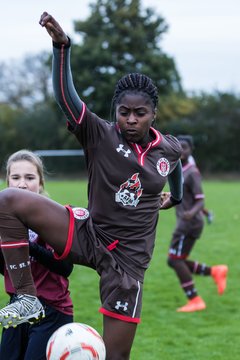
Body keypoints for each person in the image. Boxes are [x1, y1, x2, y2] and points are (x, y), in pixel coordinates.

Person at [0, 13, 183, 360]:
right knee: (9, 200)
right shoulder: (100, 134)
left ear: (153, 114)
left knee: (116, 357)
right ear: (116, 110)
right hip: (89, 232)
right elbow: (67, 99)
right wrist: (61, 48)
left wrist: (176, 197)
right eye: (124, 111)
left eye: (139, 113)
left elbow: (176, 168)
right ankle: (26, 297)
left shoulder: (168, 149)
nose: (130, 119)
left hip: (127, 264)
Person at [0, 150, 74, 360]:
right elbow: (6, 268)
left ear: (40, 183)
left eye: (29, 178)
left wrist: (25, 244)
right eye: (15, 178)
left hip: (51, 310)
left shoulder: (54, 217)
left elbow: (65, 268)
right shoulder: (4, 220)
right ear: (8, 182)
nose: (22, 184)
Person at [165, 135, 228, 312]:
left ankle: (195, 300)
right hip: (187, 222)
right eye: (179, 147)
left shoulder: (192, 172)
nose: (182, 150)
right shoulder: (179, 169)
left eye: (185, 147)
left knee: (175, 260)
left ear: (191, 149)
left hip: (188, 223)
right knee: (176, 260)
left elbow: (200, 200)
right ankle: (215, 271)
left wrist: (190, 213)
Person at [188, 153, 214, 224]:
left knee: (195, 202)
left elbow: (192, 169)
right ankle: (207, 214)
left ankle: (205, 215)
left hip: (192, 183)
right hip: (186, 183)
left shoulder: (189, 158)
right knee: (191, 203)